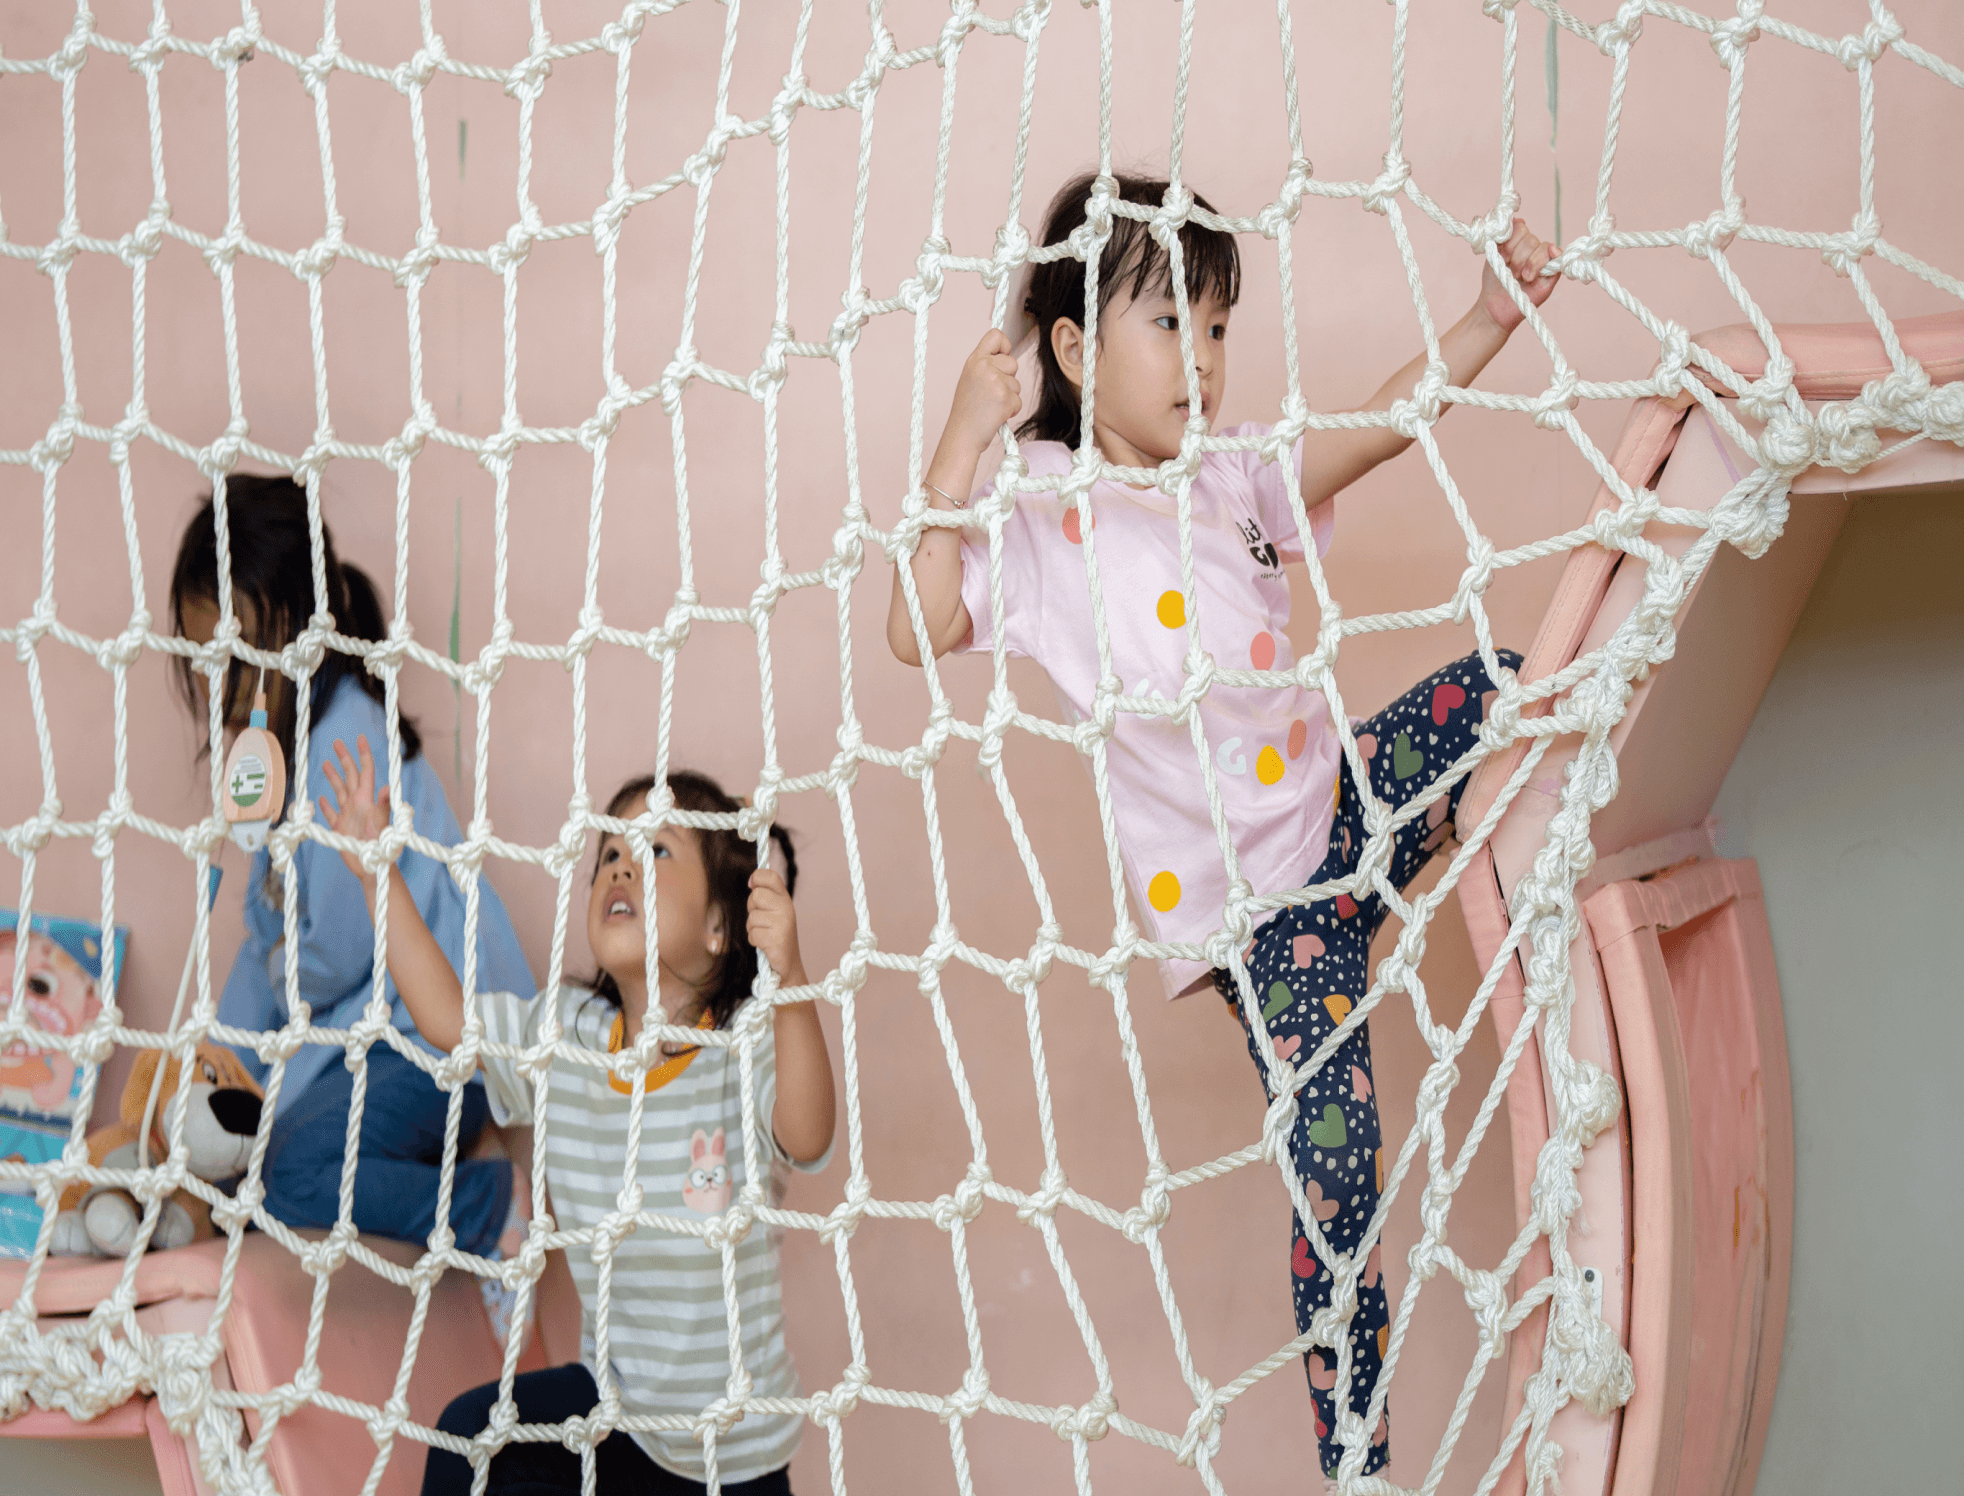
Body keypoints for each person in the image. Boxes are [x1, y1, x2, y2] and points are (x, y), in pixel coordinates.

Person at [885, 172, 1556, 1480]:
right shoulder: (1034, 506)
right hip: (1267, 927)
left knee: (1518, 679)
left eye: (1220, 327)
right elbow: (911, 632)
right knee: (1342, 1176)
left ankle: (1562, 912)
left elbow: (1378, 428)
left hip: (1347, 816)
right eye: (1168, 326)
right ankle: (1354, 1463)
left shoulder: (1230, 481)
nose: (1201, 359)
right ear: (1077, 348)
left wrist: (1491, 319)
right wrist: (959, 443)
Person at [319, 749, 835, 1495]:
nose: (621, 867)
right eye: (610, 855)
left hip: (735, 1452)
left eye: (656, 850)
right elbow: (450, 1021)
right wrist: (378, 876)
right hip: (615, 1419)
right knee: (473, 1439)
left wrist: (790, 981)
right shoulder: (568, 1035)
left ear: (723, 926)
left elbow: (809, 1132)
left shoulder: (744, 1047)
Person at [170, 476, 536, 1335]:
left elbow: (329, 947)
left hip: (440, 1038)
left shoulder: (345, 734)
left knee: (278, 1180)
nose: (220, 677)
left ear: (300, 628)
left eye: (240, 650)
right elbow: (270, 930)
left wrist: (259, 1067)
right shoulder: (267, 757)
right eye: (203, 655)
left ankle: (486, 1203)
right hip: (371, 1044)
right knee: (231, 1167)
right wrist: (220, 1060)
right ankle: (453, 1166)